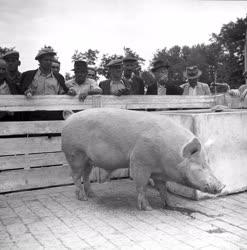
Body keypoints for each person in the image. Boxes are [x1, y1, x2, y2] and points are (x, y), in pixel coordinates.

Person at [19, 47, 70, 120]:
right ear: (39, 60)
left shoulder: (59, 77)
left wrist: (69, 92)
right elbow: (22, 90)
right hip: (33, 114)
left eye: (50, 60)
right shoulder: (28, 75)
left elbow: (62, 93)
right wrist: (27, 92)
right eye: (46, 60)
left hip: (54, 114)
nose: (49, 62)